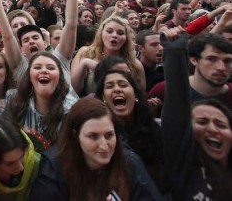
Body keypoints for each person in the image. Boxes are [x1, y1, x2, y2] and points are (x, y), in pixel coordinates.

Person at [30, 97, 162, 200]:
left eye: (109, 135)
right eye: (93, 136)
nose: (104, 146)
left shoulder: (129, 162)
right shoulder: (54, 167)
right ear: (76, 136)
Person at [161, 29, 232, 199]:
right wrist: (174, 53)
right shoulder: (163, 91)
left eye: (228, 61)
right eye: (212, 59)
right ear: (194, 60)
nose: (221, 67)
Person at [94, 69, 167, 192]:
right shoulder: (97, 137)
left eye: (123, 84)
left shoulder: (156, 131)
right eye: (109, 86)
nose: (117, 89)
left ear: (135, 95)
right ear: (103, 98)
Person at [5, 52, 75, 151]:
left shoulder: (72, 109)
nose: (44, 71)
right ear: (29, 76)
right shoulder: (13, 100)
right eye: (37, 67)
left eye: (50, 68)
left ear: (60, 77)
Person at [72, 15, 146, 95]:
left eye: (120, 33)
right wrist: (84, 63)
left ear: (126, 38)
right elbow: (74, 91)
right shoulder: (85, 53)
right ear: (101, 34)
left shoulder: (135, 64)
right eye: (109, 31)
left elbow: (140, 96)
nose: (114, 35)